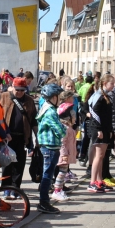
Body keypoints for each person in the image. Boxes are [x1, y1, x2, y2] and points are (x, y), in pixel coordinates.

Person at [35, 83, 65, 212]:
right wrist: (63, 127)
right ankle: (44, 202)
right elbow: (61, 130)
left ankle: (44, 201)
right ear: (53, 97)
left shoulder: (46, 108)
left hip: (49, 146)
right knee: (47, 175)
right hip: (50, 147)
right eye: (59, 96)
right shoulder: (50, 111)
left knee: (47, 174)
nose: (60, 99)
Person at [86, 75, 115, 193]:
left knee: (102, 155)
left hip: (105, 128)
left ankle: (99, 180)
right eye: (111, 83)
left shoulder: (106, 96)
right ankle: (92, 182)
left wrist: (110, 129)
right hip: (98, 129)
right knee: (98, 156)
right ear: (104, 83)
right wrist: (98, 129)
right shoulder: (98, 96)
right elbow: (94, 112)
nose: (112, 86)